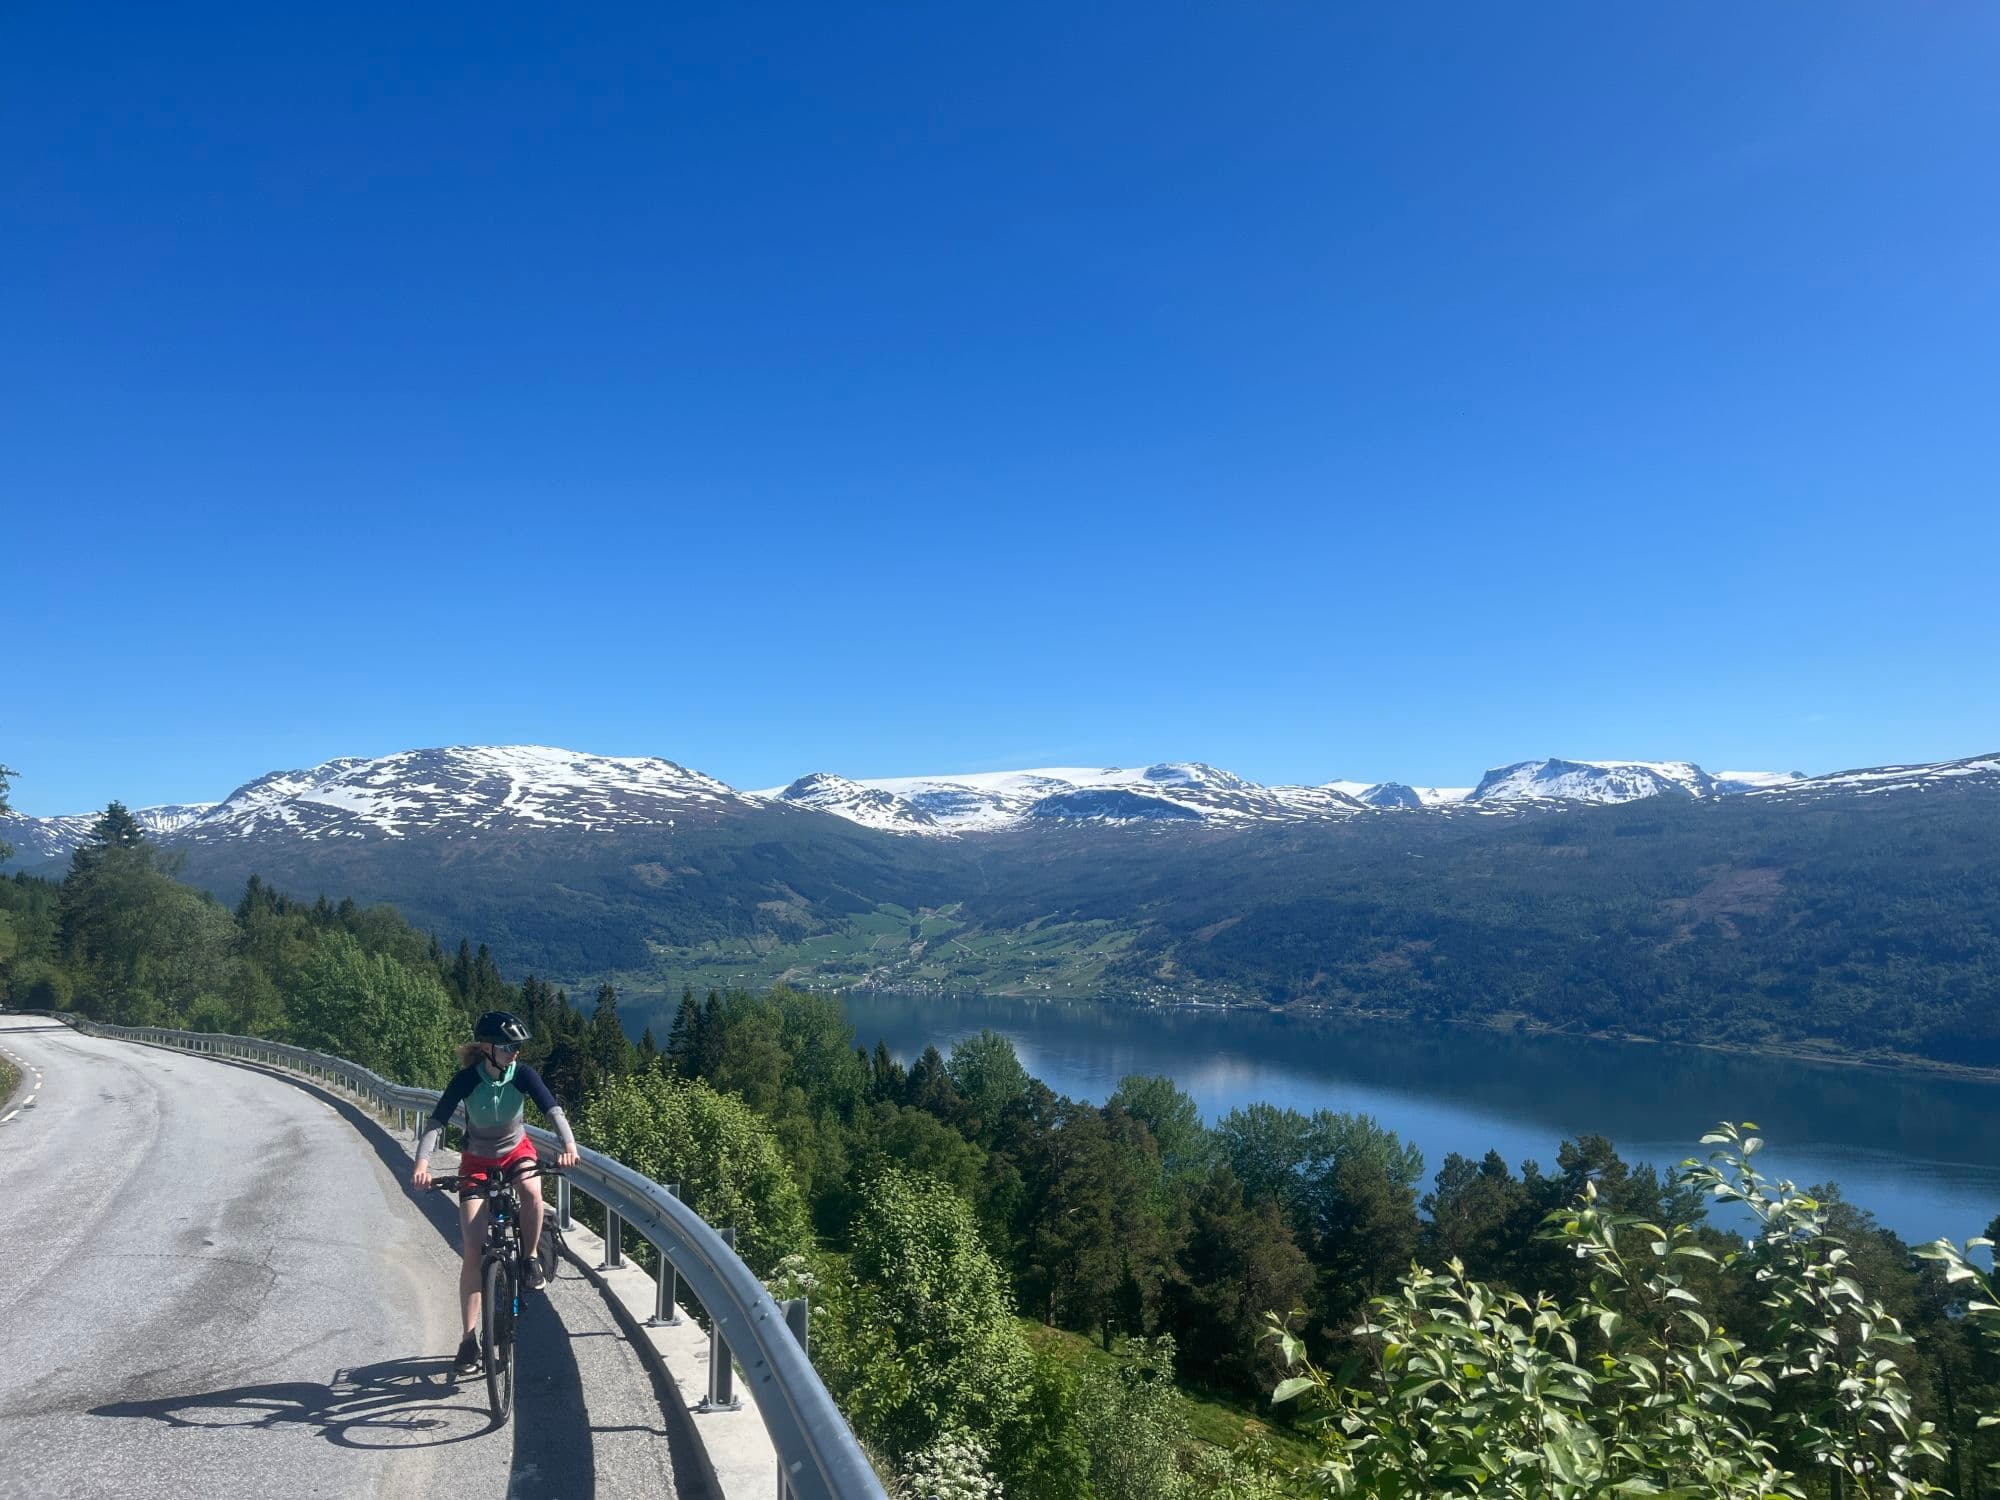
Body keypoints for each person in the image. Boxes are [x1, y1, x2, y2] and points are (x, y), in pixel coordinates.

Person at [412, 1009, 580, 1376]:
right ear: (486, 1048)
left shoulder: (522, 1075)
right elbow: (437, 1121)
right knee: (473, 1250)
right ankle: (469, 1340)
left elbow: (553, 1110)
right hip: (477, 1160)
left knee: (533, 1194)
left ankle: (531, 1257)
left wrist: (568, 1145)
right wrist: (422, 1165)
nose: (514, 1053)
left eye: (517, 1046)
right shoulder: (466, 1080)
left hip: (517, 1150)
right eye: (507, 1047)